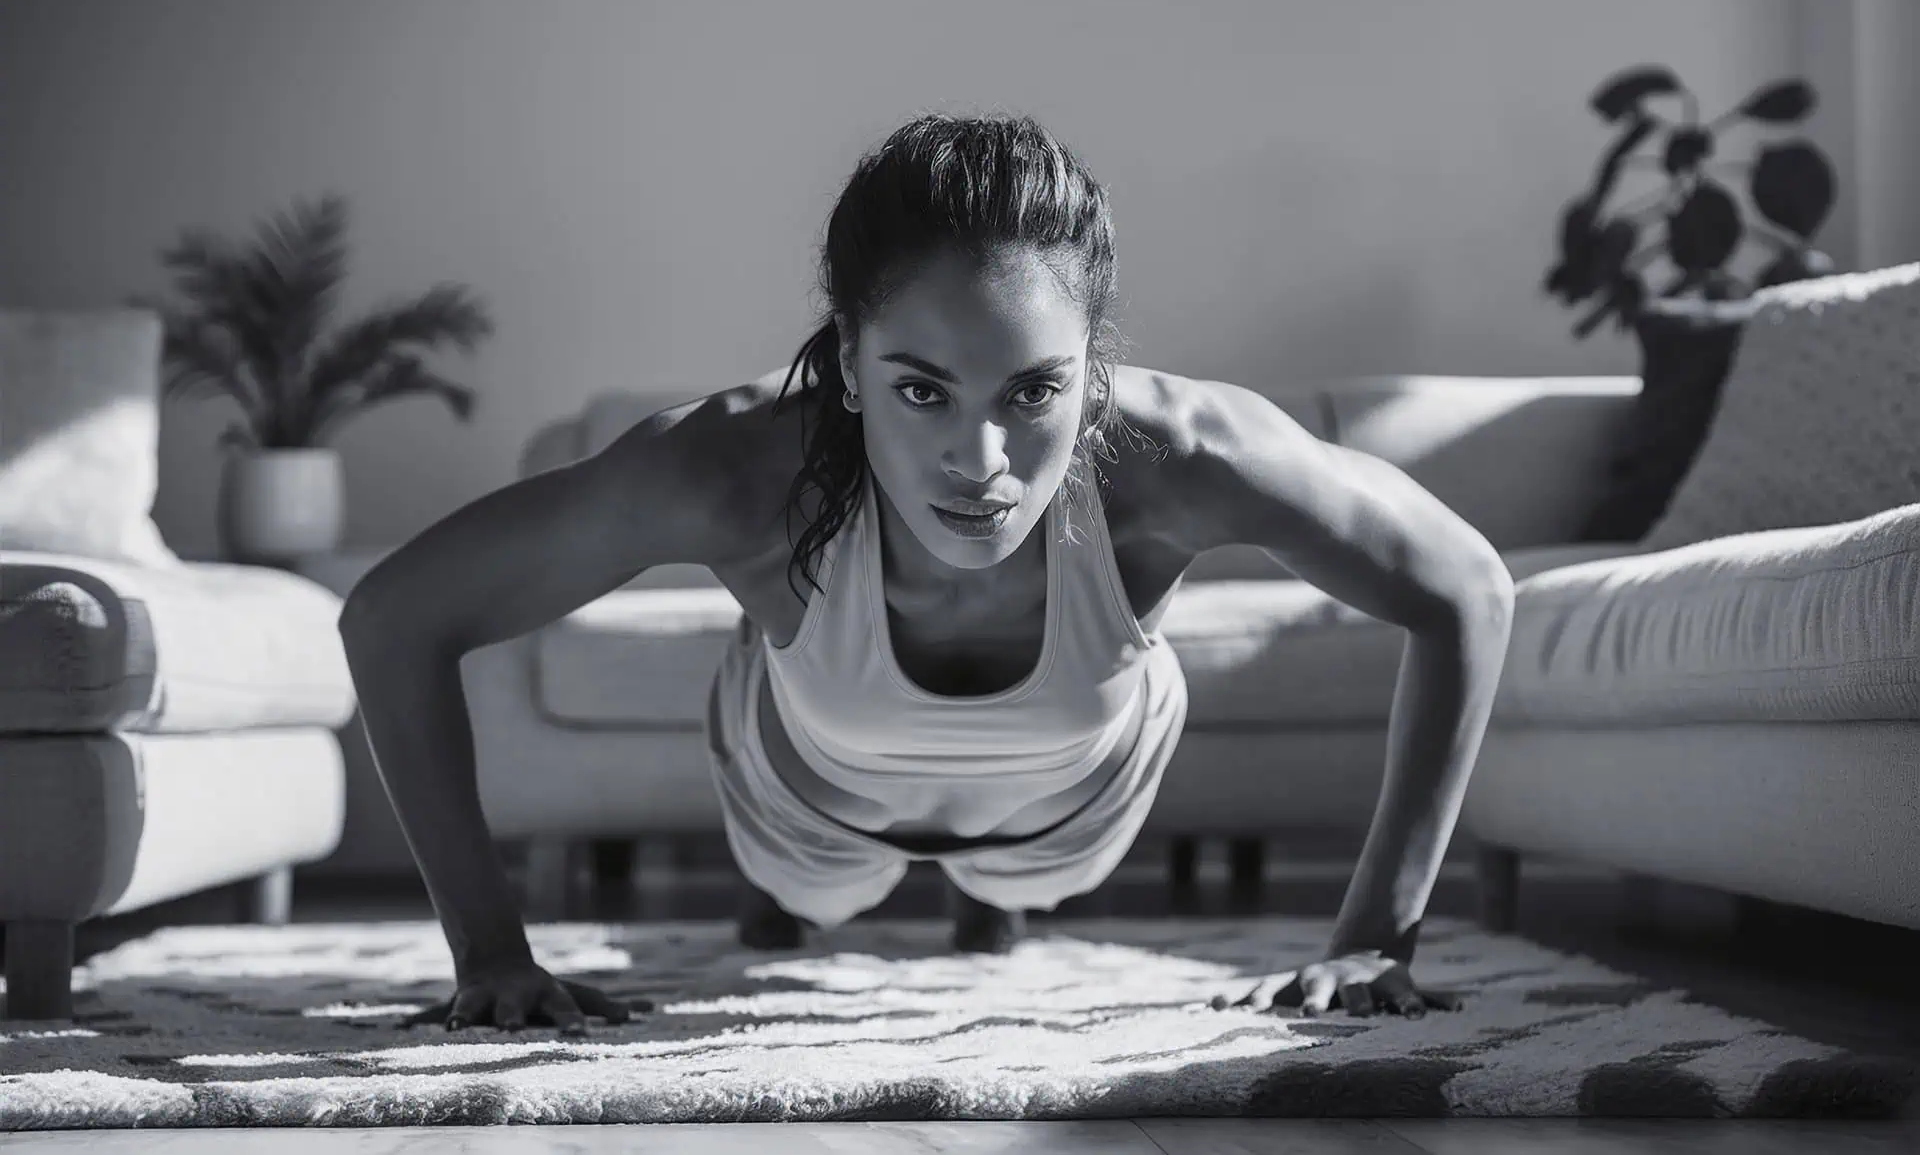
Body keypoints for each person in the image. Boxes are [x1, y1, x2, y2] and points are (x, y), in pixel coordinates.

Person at [339, 112, 1515, 1038]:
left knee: (1017, 888)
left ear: (1092, 372)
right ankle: (828, 892)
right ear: (847, 363)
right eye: (921, 389)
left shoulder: (1182, 461)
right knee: (809, 906)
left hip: (1074, 807)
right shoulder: (735, 473)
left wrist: (1379, 935)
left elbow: (1466, 588)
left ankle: (985, 894)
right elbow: (395, 620)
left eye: (1033, 392)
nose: (981, 462)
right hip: (808, 803)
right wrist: (490, 953)